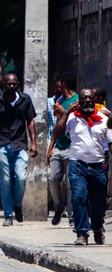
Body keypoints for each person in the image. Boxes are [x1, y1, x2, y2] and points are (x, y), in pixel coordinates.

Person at [52, 89, 111, 246]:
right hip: (78, 165)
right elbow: (58, 134)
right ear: (79, 101)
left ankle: (97, 228)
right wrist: (66, 113)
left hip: (98, 166)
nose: (87, 101)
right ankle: (82, 233)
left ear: (95, 100)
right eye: (84, 98)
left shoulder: (104, 119)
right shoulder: (72, 118)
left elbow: (111, 143)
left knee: (98, 203)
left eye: (90, 98)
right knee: (78, 197)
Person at [0, 72, 38, 226]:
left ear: (17, 84)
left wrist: (34, 143)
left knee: (21, 178)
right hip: (3, 143)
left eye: (13, 84)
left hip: (20, 144)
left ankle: (17, 204)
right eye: (8, 84)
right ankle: (8, 215)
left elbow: (30, 121)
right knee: (5, 181)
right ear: (4, 85)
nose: (11, 86)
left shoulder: (25, 100)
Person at [48, 73, 79, 226]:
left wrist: (63, 112)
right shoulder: (60, 101)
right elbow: (57, 126)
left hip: (71, 146)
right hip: (59, 147)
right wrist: (51, 147)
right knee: (52, 178)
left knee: (69, 183)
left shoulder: (77, 100)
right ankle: (58, 207)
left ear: (64, 84)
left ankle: (72, 217)